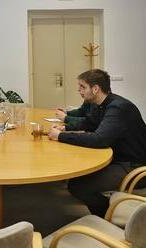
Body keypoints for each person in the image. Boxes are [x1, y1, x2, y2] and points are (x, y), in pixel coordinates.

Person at [48, 69, 146, 217]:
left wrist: (60, 136)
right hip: (118, 158)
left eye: (82, 87)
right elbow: (89, 122)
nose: (79, 90)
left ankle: (108, 214)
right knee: (78, 169)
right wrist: (65, 128)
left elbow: (99, 139)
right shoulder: (102, 104)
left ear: (95, 89)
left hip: (133, 166)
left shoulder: (118, 108)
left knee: (78, 186)